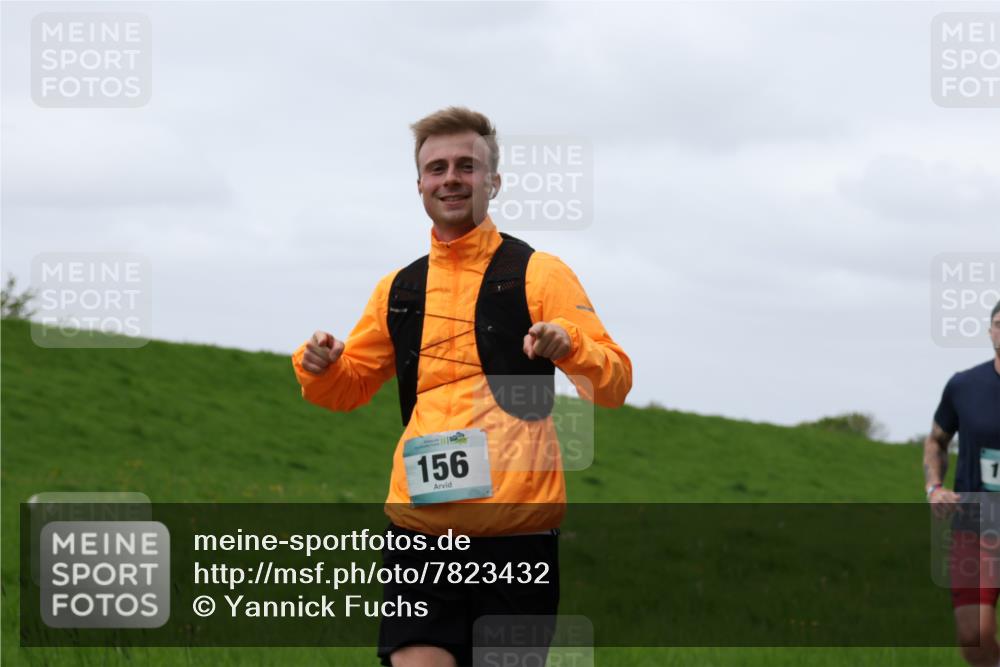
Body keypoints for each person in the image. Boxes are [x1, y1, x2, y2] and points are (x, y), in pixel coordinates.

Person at [291, 107, 632, 667]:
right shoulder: (397, 289)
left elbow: (614, 382)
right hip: (420, 536)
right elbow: (346, 390)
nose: (451, 177)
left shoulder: (539, 273)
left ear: (493, 181)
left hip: (516, 543)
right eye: (437, 167)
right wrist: (319, 366)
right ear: (420, 184)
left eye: (467, 166)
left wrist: (569, 344)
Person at [925, 299, 1000, 667]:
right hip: (974, 527)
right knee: (974, 636)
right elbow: (936, 441)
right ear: (990, 332)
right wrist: (935, 488)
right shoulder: (963, 386)